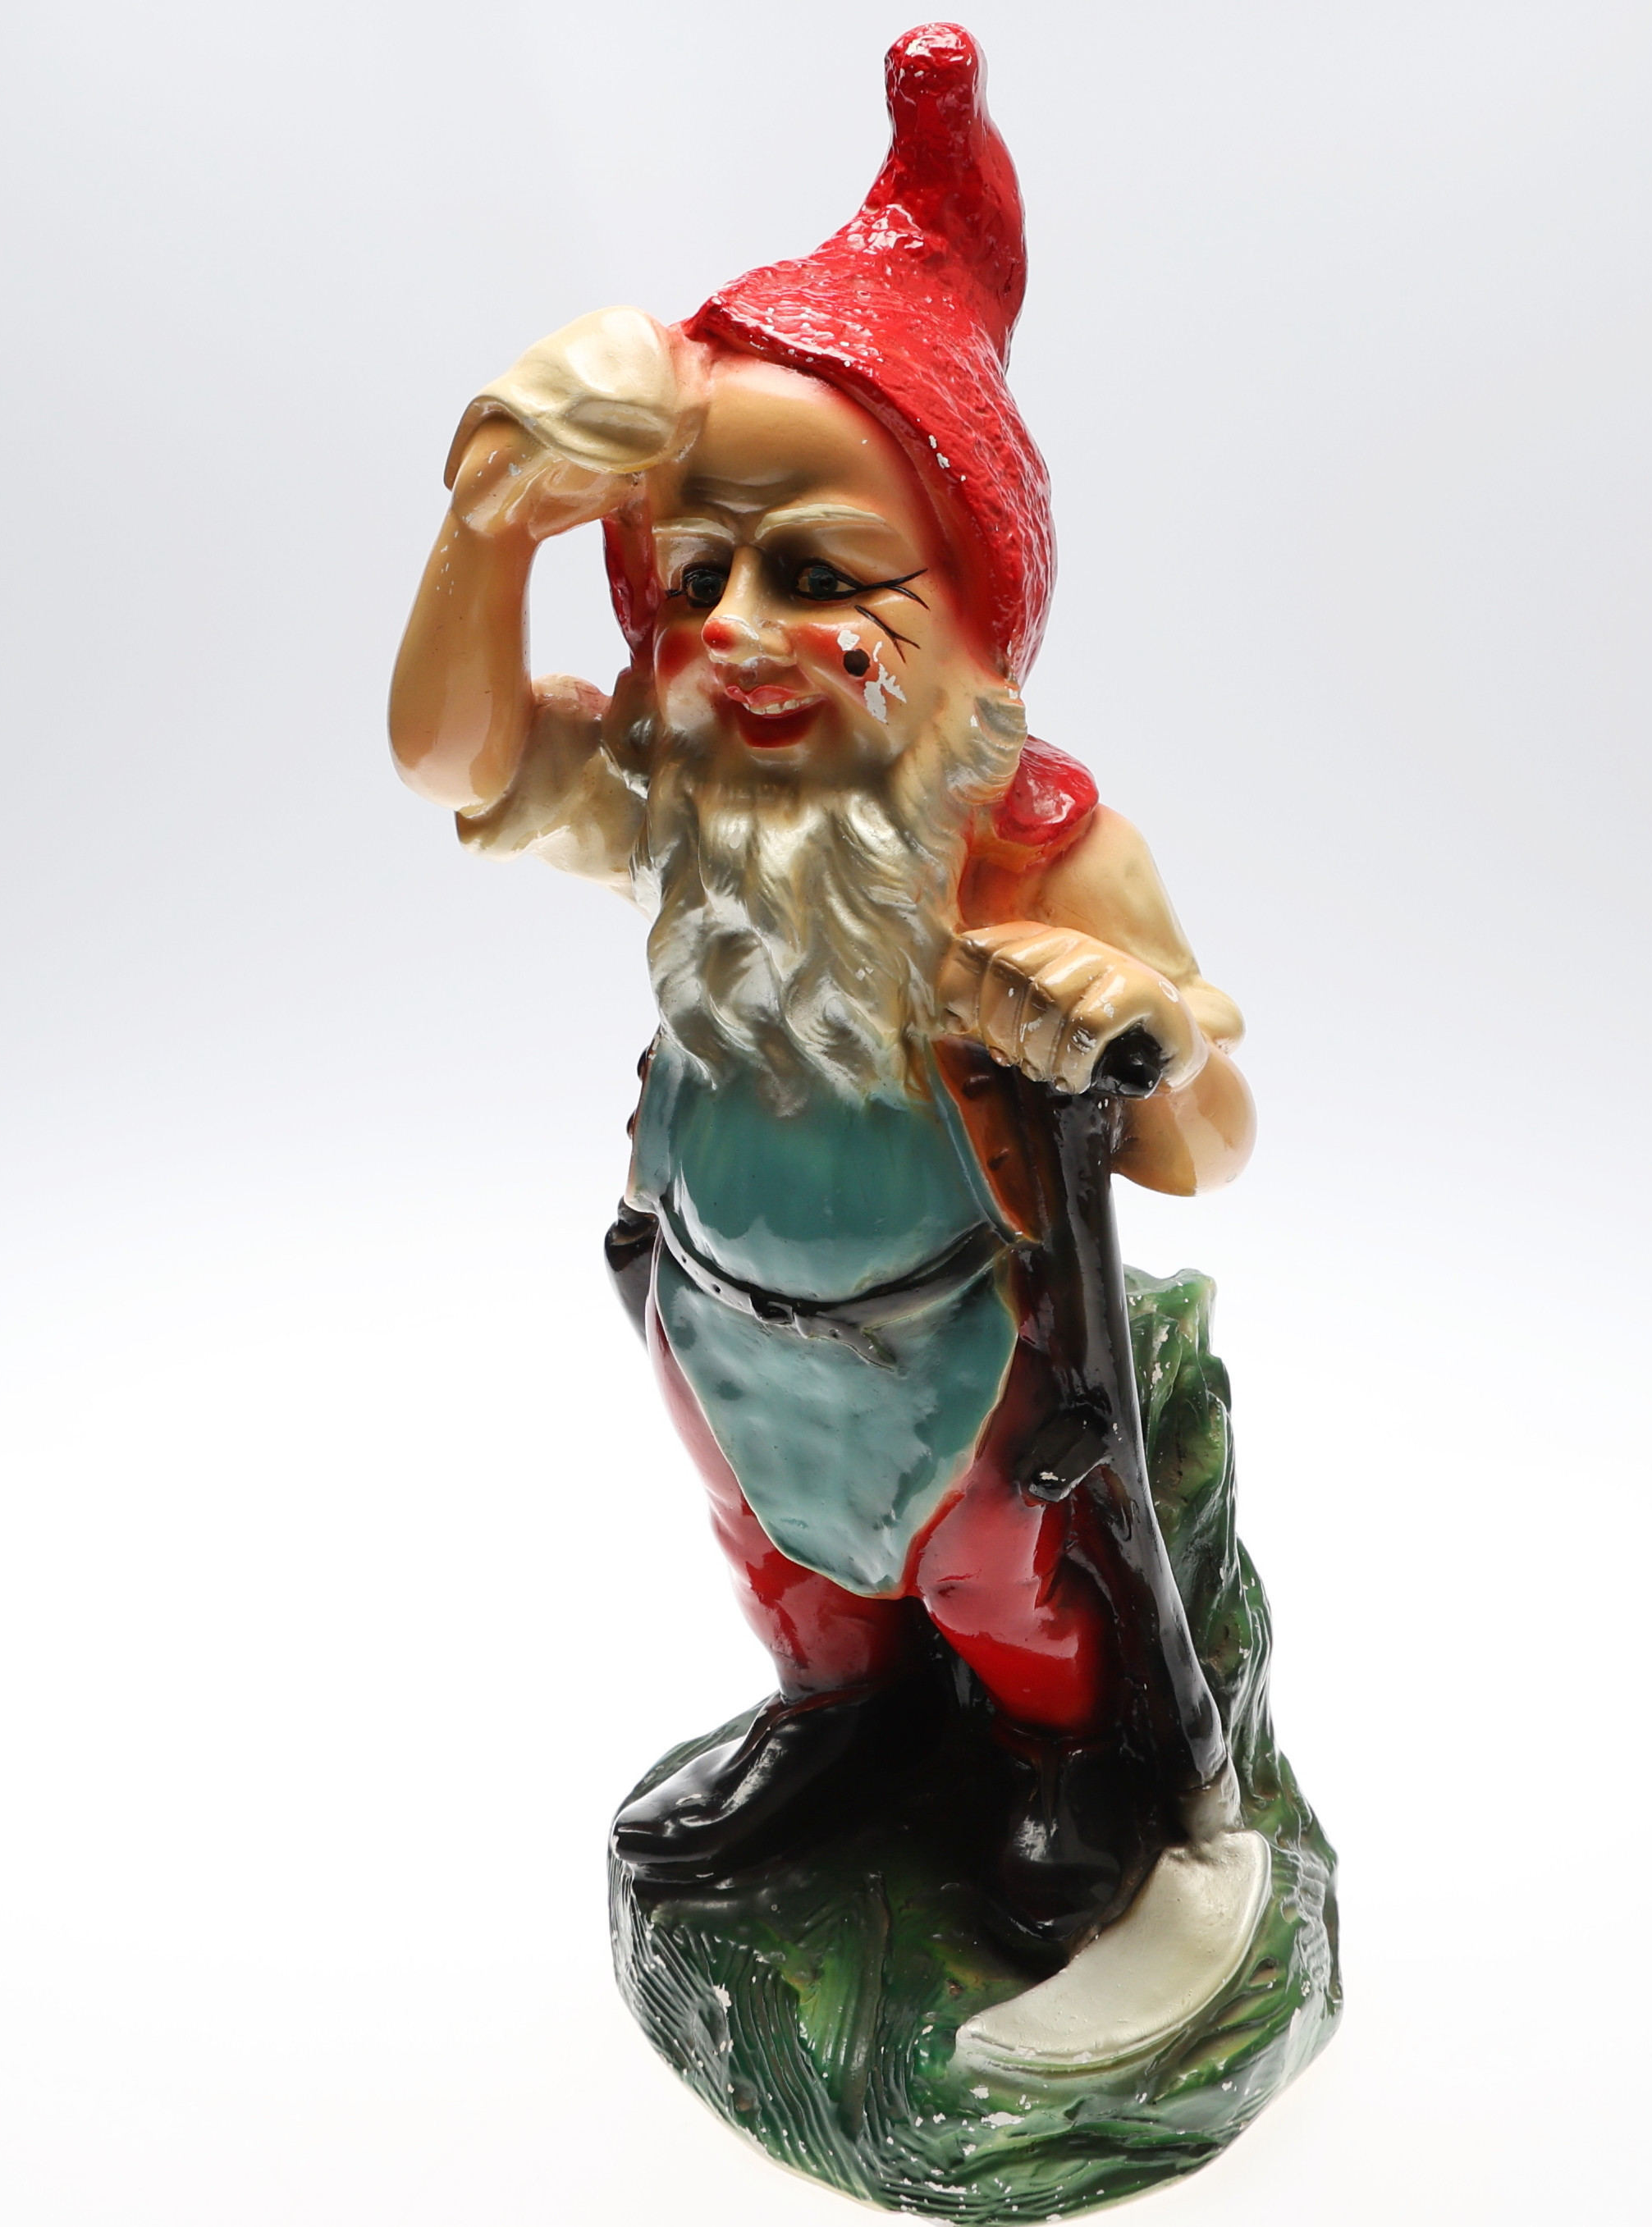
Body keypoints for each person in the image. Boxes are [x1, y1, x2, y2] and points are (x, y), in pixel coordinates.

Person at [387, 23, 1253, 1959]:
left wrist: (1124, 1019)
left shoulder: (1031, 843)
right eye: (691, 578)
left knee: (995, 1576)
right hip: (719, 1305)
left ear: (970, 606)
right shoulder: (678, 798)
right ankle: (835, 1717)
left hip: (957, 1333)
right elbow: (450, 755)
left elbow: (1206, 1139)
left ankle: (1048, 1757)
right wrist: (491, 516)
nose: (738, 632)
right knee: (775, 1547)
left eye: (817, 574)